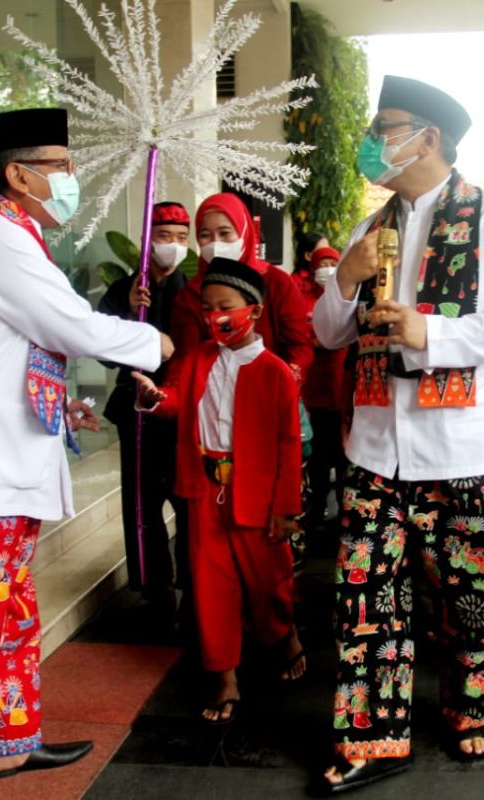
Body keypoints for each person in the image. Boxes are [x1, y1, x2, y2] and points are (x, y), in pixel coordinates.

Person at [0, 108, 172, 798]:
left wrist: (59, 401)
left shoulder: (10, 233)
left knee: (8, 613)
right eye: (62, 167)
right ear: (17, 174)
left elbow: (14, 340)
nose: (72, 180)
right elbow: (65, 323)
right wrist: (153, 342)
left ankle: (4, 748)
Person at [313, 75, 484, 791]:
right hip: (377, 444)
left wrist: (430, 331)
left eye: (386, 127)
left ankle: (469, 709)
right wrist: (345, 281)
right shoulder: (368, 228)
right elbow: (327, 334)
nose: (372, 141)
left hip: (468, 447)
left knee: (470, 596)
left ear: (429, 138)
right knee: (366, 598)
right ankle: (372, 736)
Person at [133, 256, 305, 724]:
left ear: (253, 309)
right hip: (204, 489)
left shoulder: (274, 371)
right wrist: (154, 397)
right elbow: (175, 400)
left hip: (259, 494)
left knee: (267, 579)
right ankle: (225, 675)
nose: (215, 316)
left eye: (225, 306)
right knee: (211, 586)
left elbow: (290, 443)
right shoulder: (196, 359)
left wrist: (286, 507)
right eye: (208, 308)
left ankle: (283, 634)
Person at [98, 201, 192, 615]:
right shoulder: (124, 290)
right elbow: (101, 345)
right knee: (141, 499)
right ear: (147, 239)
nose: (173, 246)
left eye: (181, 238)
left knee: (185, 497)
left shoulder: (190, 291)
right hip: (135, 406)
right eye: (165, 236)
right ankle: (154, 583)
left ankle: (191, 580)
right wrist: (127, 311)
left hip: (180, 406)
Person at [169, 193, 312, 386]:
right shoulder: (191, 294)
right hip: (212, 396)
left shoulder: (277, 282)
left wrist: (282, 383)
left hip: (269, 390)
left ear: (244, 231)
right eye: (205, 235)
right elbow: (185, 358)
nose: (215, 242)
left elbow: (299, 348)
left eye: (225, 233)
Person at [296, 244, 349, 531]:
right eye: (322, 262)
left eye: (332, 262)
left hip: (341, 395)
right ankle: (314, 517)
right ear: (313, 267)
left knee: (343, 465)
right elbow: (301, 336)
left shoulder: (345, 298)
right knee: (316, 463)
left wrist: (325, 339)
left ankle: (343, 520)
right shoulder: (302, 298)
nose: (327, 267)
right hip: (314, 397)